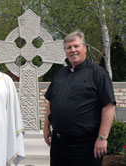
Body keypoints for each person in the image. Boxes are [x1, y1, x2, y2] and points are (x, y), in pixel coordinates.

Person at [43, 30, 116, 166]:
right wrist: (46, 127)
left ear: (85, 49)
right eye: (69, 47)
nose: (73, 50)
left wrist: (102, 138)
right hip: (59, 144)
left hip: (85, 146)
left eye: (76, 46)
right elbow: (50, 101)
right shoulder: (60, 74)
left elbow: (109, 106)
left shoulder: (98, 73)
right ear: (65, 52)